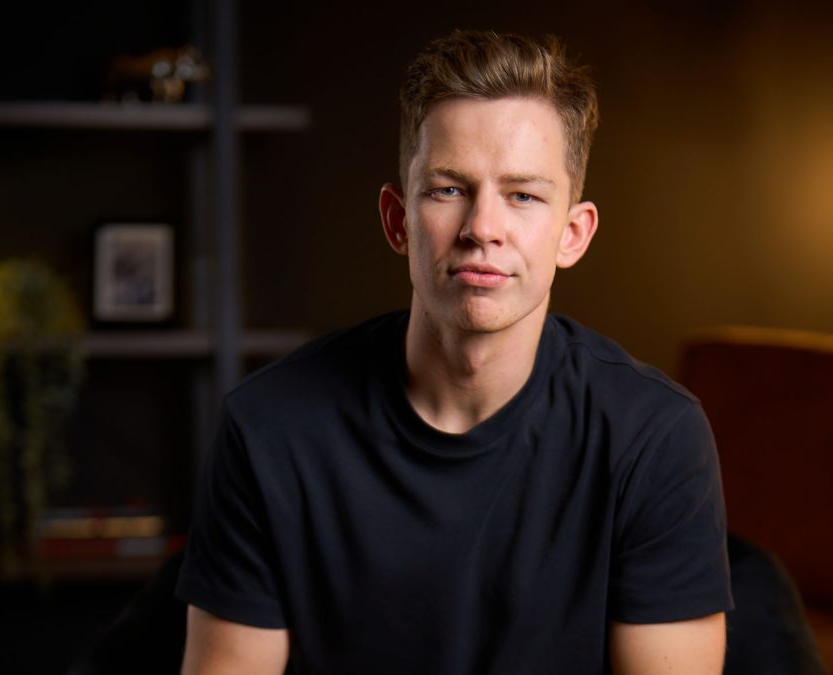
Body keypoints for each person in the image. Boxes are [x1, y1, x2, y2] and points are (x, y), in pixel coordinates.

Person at [176, 29, 732, 674]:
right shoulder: (269, 427)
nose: (482, 229)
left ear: (573, 234)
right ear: (398, 220)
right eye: (448, 189)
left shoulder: (654, 436)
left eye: (523, 195)